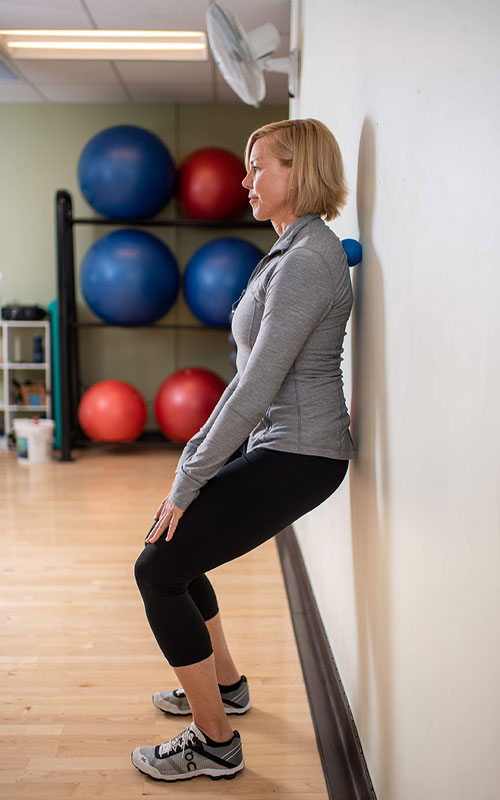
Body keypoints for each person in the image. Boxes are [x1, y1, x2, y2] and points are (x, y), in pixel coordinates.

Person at [131, 118, 354, 782]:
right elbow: (255, 374)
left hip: (302, 455)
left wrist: (188, 473)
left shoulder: (307, 257)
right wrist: (191, 474)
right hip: (281, 443)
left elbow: (256, 385)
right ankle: (224, 687)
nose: (245, 179)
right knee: (175, 546)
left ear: (299, 172)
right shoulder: (297, 250)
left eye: (259, 166)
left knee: (157, 569)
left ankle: (216, 741)